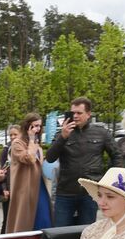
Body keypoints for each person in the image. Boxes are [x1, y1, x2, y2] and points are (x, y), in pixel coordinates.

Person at [46, 97, 114, 226]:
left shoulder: (101, 133)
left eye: (79, 113)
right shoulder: (63, 133)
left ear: (88, 114)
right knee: (61, 234)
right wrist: (63, 137)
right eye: (73, 113)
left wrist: (108, 180)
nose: (75, 116)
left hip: (90, 192)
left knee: (86, 232)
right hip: (65, 192)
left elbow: (117, 155)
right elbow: (50, 158)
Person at [5, 112, 51, 232]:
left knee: (44, 219)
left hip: (38, 184)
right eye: (34, 126)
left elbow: (39, 163)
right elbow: (29, 159)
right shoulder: (17, 143)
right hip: (25, 187)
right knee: (26, 221)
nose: (37, 129)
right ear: (27, 126)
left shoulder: (36, 143)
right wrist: (30, 140)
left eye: (39, 126)